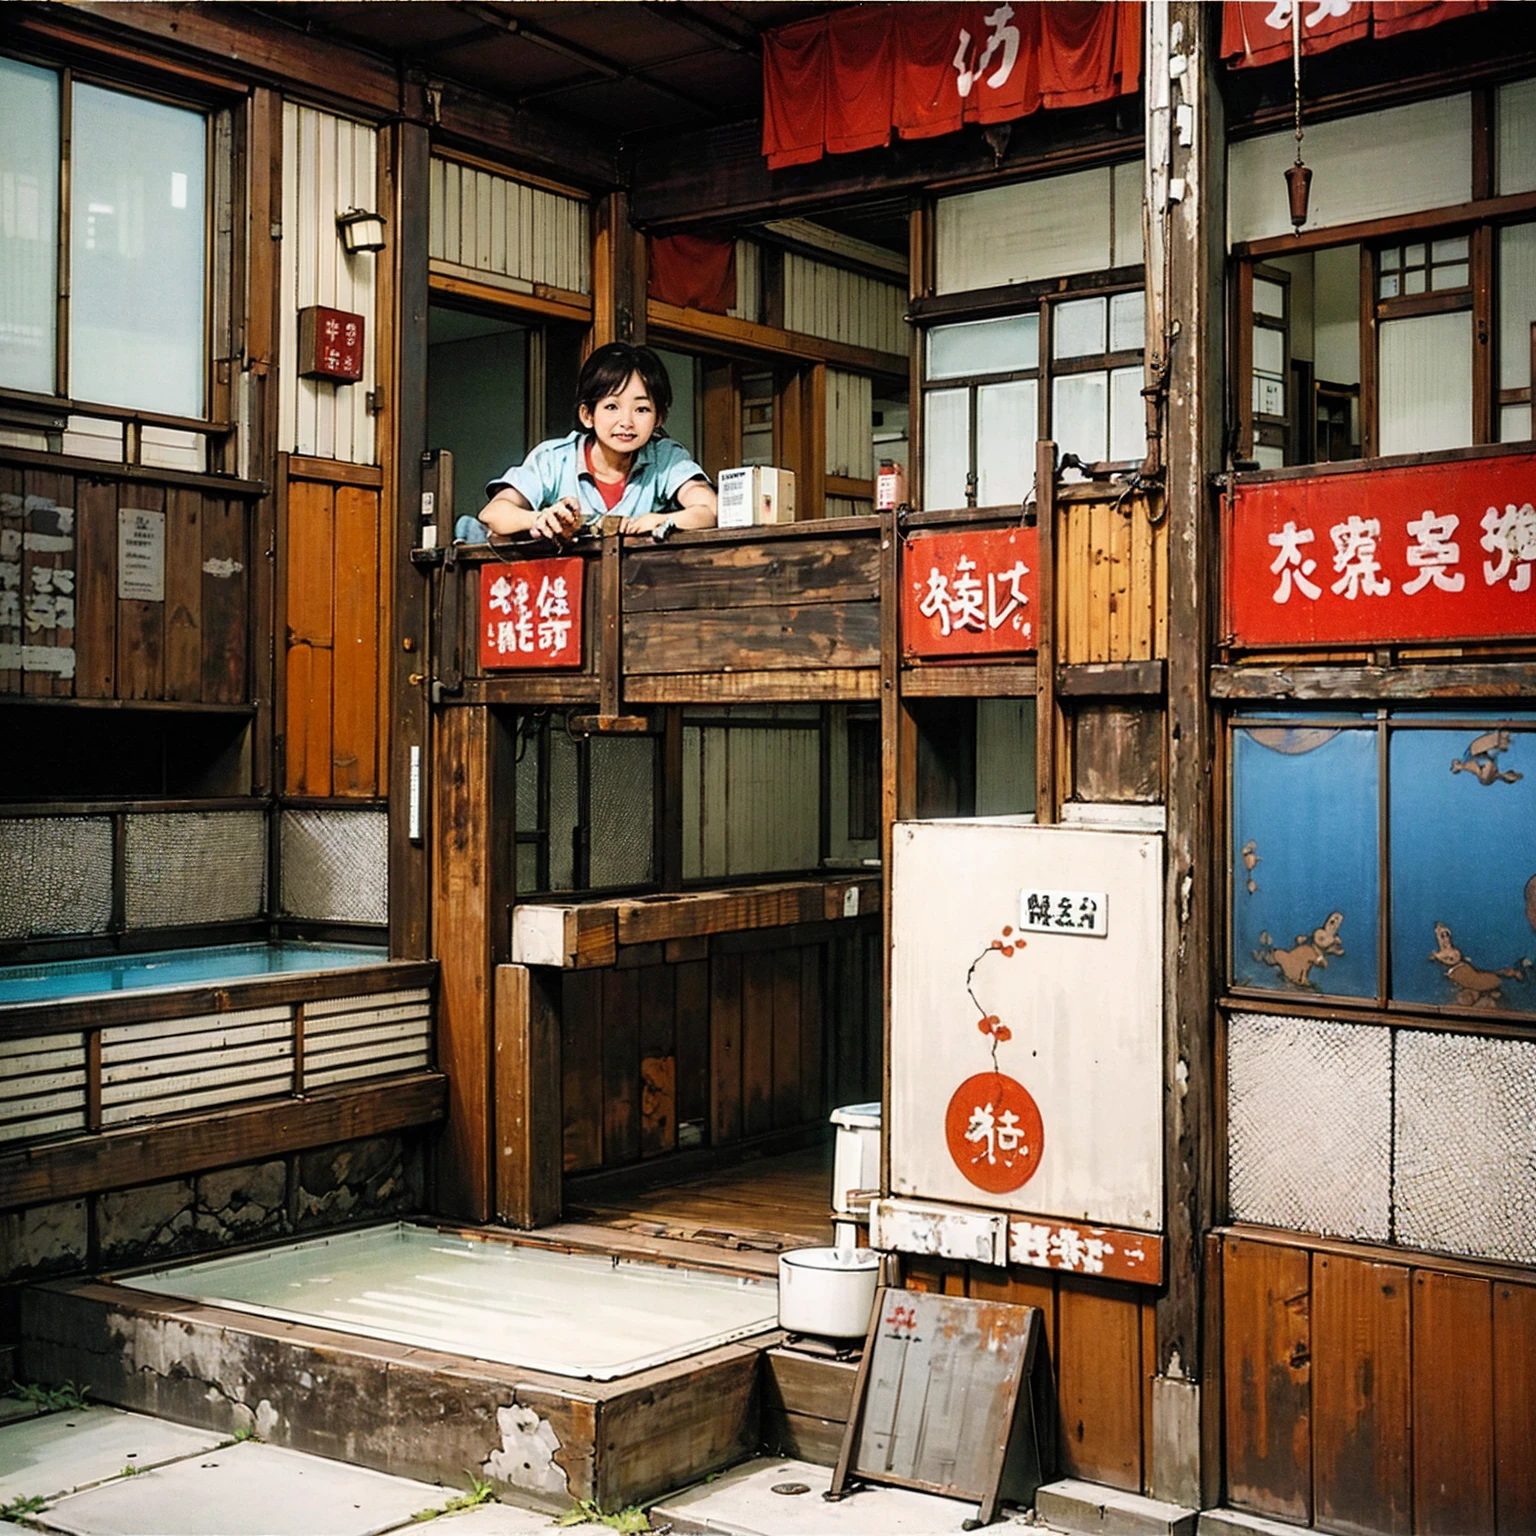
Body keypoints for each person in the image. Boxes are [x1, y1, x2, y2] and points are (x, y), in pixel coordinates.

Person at [456, 342, 717, 542]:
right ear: (587, 415)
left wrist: (661, 520)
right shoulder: (554, 458)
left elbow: (710, 509)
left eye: (641, 409)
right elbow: (494, 513)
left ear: (659, 417)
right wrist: (540, 518)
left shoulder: (666, 458)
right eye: (612, 406)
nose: (626, 422)